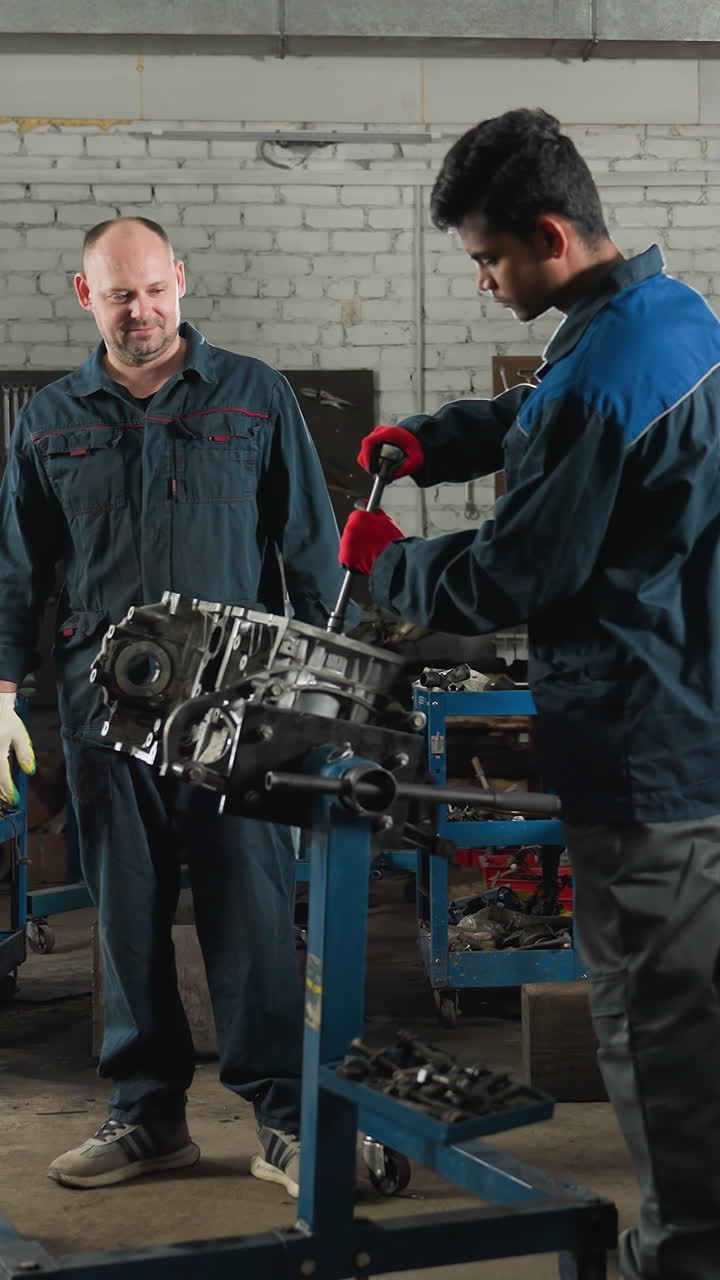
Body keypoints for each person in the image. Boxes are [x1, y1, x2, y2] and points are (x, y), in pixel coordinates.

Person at [340, 109, 720, 1280]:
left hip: (644, 747)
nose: (486, 281)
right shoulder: (669, 315)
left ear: (550, 234)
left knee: (658, 1034)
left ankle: (685, 1257)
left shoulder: (600, 379)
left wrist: (383, 563)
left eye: (490, 259)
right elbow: (533, 416)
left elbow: (515, 569)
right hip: (695, 709)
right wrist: (434, 437)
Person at [0, 215, 351, 1194]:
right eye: (120, 295)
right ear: (86, 298)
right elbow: (14, 569)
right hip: (101, 709)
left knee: (250, 911)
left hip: (237, 709)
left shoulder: (253, 396)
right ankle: (147, 1116)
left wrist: (324, 690)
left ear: (180, 282)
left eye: (155, 289)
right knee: (126, 917)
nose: (142, 310)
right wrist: (0, 695)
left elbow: (311, 550)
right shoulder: (51, 420)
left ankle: (284, 1116)